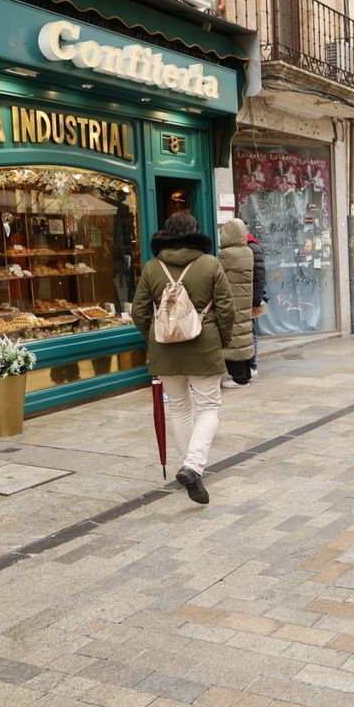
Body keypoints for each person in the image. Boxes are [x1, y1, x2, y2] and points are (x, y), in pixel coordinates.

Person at [132, 211, 234, 505]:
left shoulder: (152, 267)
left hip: (165, 349)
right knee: (209, 407)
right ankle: (192, 466)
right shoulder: (210, 264)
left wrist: (154, 338)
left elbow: (138, 312)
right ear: (195, 232)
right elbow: (226, 309)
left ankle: (189, 465)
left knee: (178, 407)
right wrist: (222, 339)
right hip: (204, 344)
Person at [217, 218, 255, 387]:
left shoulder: (226, 255)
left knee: (233, 338)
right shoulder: (248, 251)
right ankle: (246, 373)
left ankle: (239, 378)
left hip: (232, 300)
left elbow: (216, 274)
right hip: (244, 300)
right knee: (243, 335)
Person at [245, 231, 267, 376]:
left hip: (250, 298)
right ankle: (250, 365)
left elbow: (259, 278)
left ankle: (252, 365)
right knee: (250, 331)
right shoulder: (252, 247)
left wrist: (255, 301)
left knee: (251, 331)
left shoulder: (251, 248)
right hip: (250, 296)